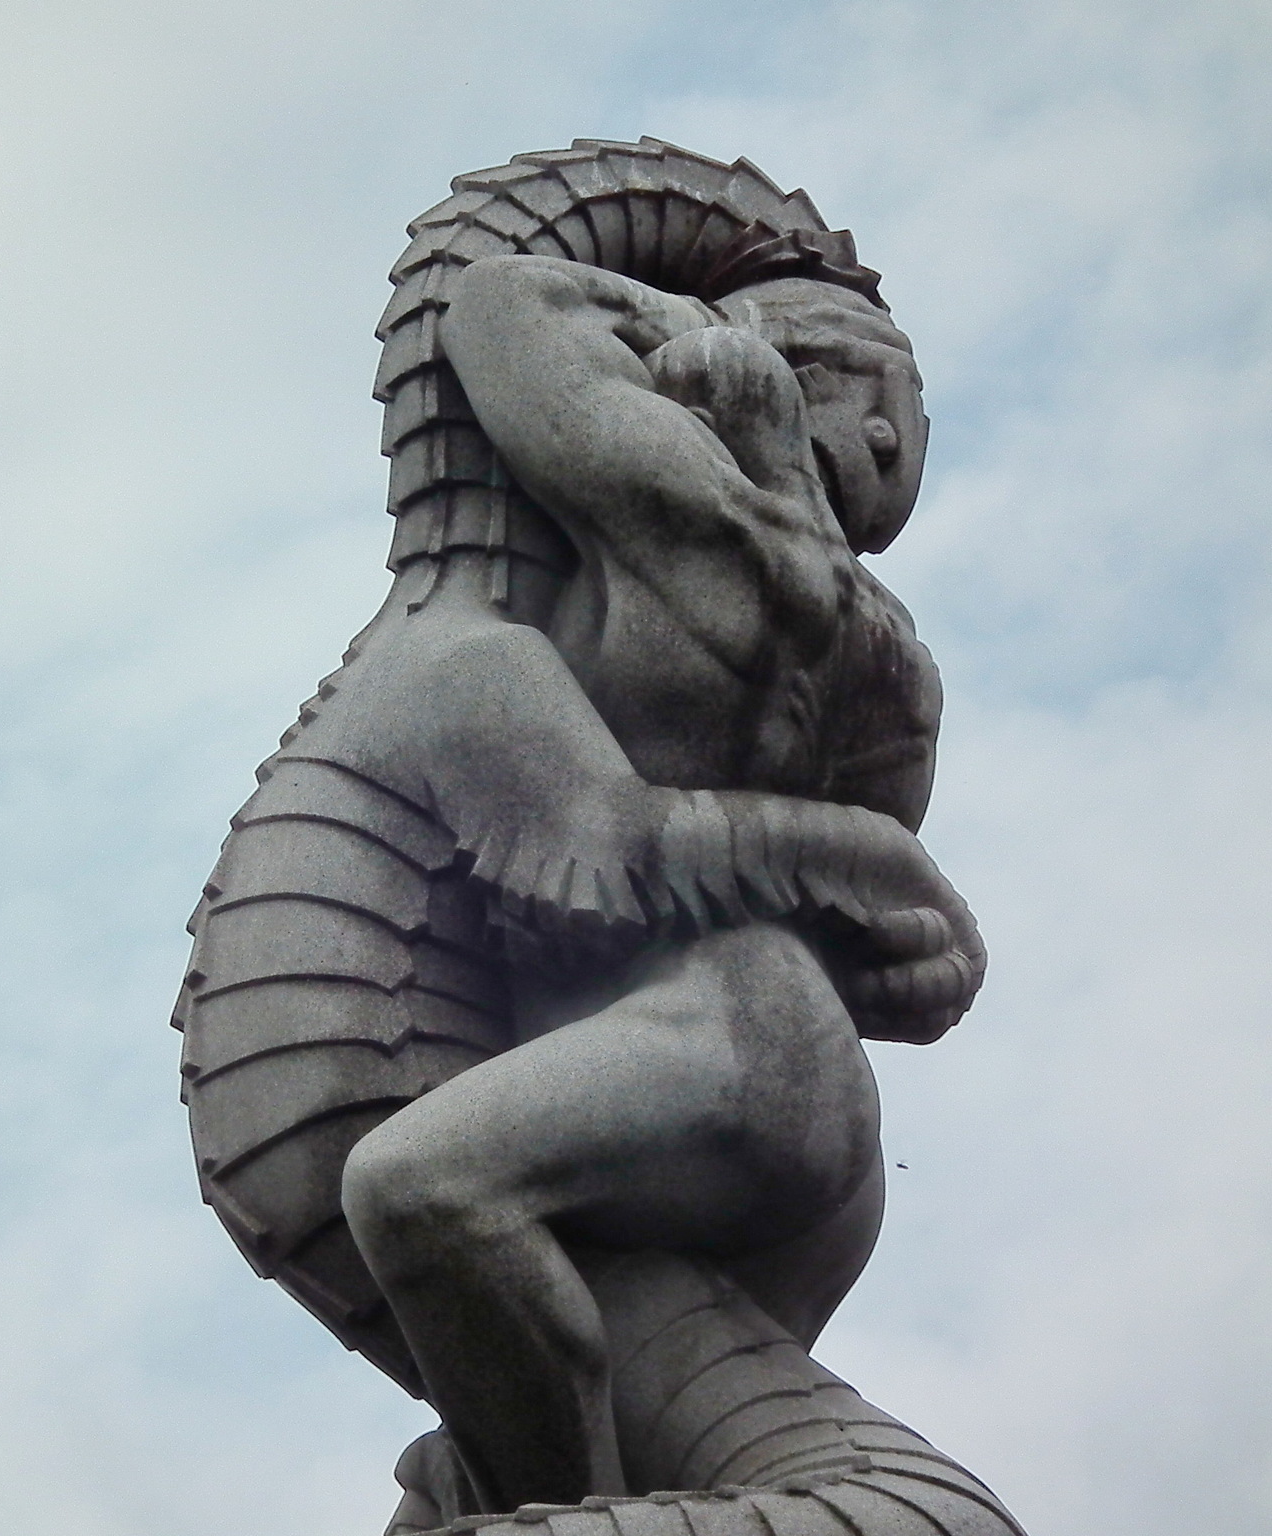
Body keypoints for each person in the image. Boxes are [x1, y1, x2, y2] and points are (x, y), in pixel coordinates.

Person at [335, 255, 983, 1514]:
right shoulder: (895, 667)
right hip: (796, 1126)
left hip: (729, 1038)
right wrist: (888, 886)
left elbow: (496, 302)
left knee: (412, 1192)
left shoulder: (694, 530)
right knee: (656, 1426)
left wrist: (693, 325)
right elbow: (889, 954)